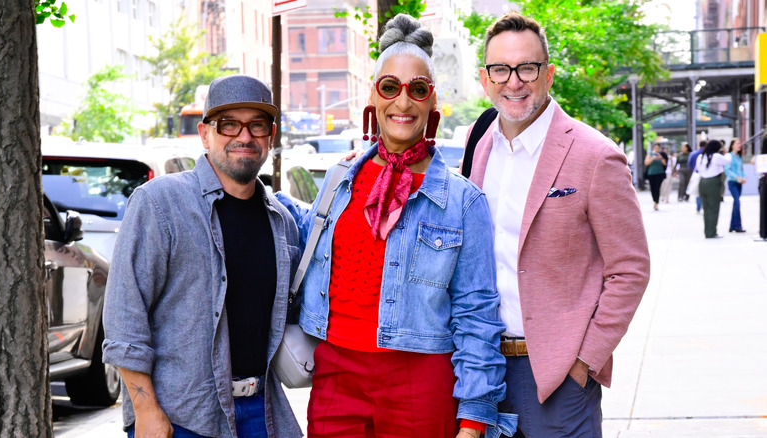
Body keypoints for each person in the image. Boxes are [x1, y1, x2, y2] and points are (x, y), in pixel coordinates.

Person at [281, 14, 512, 438]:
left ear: (432, 101)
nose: (402, 103)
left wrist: (475, 419)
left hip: (420, 384)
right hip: (335, 377)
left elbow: (477, 316)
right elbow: (305, 236)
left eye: (417, 90)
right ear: (373, 95)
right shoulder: (340, 179)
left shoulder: (463, 202)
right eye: (390, 87)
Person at [465, 12, 650, 437]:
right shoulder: (481, 149)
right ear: (485, 78)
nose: (514, 81)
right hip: (485, 371)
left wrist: (584, 361)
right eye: (501, 69)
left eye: (526, 68)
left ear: (547, 74)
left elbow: (631, 268)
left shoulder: (595, 155)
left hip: (559, 377)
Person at [102, 75, 303, 438]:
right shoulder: (159, 203)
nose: (245, 136)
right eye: (229, 124)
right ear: (205, 133)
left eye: (257, 125)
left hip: (263, 414)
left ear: (270, 137)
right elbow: (123, 316)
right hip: (181, 417)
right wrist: (145, 410)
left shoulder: (282, 223)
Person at [696, 139, 732, 238]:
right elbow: (728, 160)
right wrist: (725, 150)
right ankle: (712, 232)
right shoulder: (716, 156)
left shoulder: (701, 156)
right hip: (713, 183)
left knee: (706, 209)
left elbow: (698, 169)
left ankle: (708, 232)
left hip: (702, 182)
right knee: (714, 208)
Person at [725, 138, 746, 233]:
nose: (739, 145)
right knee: (737, 202)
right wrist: (736, 177)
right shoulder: (728, 156)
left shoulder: (739, 157)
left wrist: (744, 177)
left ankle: (733, 225)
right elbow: (727, 170)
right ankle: (737, 226)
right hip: (733, 182)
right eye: (737, 143)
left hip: (739, 182)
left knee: (736, 203)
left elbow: (741, 169)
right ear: (732, 145)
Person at [645, 143, 667, 210]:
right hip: (651, 173)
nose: (657, 149)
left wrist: (661, 158)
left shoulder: (661, 154)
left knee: (657, 187)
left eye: (658, 148)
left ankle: (656, 203)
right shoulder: (650, 154)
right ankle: (654, 200)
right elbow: (646, 163)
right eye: (656, 148)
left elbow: (665, 164)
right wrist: (653, 158)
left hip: (659, 173)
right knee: (652, 188)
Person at [688, 140, 706, 213]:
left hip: (696, 175)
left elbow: (689, 164)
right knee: (705, 192)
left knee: (698, 192)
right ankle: (704, 206)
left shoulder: (693, 154)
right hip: (706, 175)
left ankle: (698, 207)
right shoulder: (706, 154)